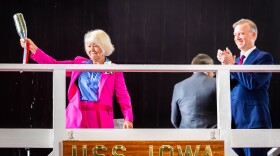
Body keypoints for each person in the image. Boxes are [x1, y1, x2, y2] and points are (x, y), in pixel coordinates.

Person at [20, 29, 133, 129]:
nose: (92, 49)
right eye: (89, 46)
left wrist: (128, 118)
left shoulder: (114, 69)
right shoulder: (79, 64)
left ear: (104, 46)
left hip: (100, 118)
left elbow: (123, 96)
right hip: (77, 115)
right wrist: (34, 49)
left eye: (95, 45)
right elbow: (54, 64)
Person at [217, 18, 273, 156]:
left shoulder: (264, 58)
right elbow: (226, 88)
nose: (237, 38)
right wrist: (225, 68)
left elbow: (253, 83)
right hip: (232, 123)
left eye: (241, 34)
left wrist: (232, 66)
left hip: (253, 121)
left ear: (253, 35)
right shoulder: (235, 61)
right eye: (235, 35)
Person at [171, 53, 217, 128]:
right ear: (210, 68)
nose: (213, 74)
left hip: (186, 136)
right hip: (212, 136)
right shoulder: (217, 83)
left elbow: (174, 120)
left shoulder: (178, 86)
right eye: (213, 72)